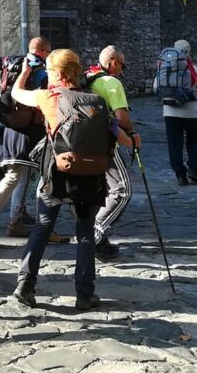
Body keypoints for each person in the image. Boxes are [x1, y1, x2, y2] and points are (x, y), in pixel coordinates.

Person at [10, 49, 129, 310]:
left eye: (51, 72)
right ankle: (85, 294)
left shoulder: (48, 97)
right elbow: (116, 132)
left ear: (59, 74)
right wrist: (132, 140)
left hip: (56, 173)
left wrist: (24, 72)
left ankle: (25, 286)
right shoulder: (95, 99)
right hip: (88, 175)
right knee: (85, 232)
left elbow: (16, 94)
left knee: (42, 227)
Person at [0, 37, 53, 243]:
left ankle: (9, 220)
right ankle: (41, 225)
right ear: (44, 52)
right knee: (43, 178)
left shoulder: (14, 65)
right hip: (29, 133)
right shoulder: (39, 70)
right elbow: (42, 100)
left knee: (16, 176)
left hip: (10, 128)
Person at [86, 45, 138, 261]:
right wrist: (133, 135)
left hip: (85, 142)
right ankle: (96, 233)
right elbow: (121, 116)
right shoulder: (111, 83)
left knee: (99, 192)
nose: (122, 71)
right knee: (122, 191)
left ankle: (99, 239)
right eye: (122, 65)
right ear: (113, 61)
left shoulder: (89, 79)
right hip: (107, 144)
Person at [155, 40, 197, 185]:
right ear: (189, 51)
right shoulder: (193, 69)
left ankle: (180, 174)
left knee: (174, 144)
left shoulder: (163, 68)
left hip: (170, 112)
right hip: (191, 113)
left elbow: (156, 87)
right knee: (193, 142)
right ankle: (193, 171)